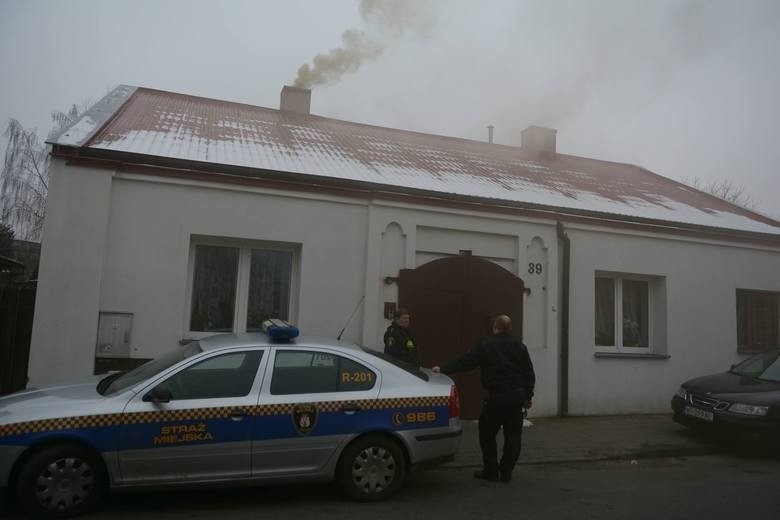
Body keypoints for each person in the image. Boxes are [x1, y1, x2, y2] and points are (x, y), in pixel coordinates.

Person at [433, 314, 535, 483]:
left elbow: (466, 362)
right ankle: (506, 472)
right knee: (514, 436)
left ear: (495, 328)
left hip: (497, 397)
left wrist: (442, 369)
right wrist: (528, 396)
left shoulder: (485, 344)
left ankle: (491, 470)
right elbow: (529, 374)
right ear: (510, 329)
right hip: (516, 397)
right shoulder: (520, 347)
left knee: (487, 433)